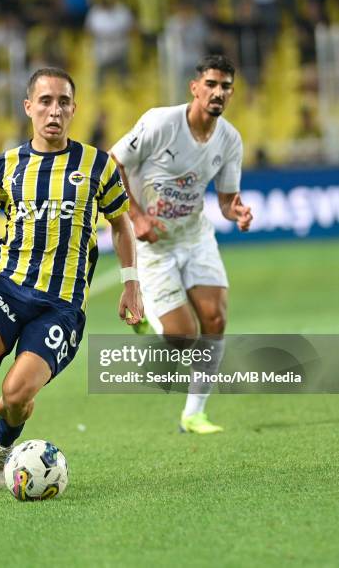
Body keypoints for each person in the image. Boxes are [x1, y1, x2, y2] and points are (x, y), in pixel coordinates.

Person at [0, 67, 144, 501]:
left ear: (74, 109)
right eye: (45, 101)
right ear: (28, 108)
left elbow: (121, 224)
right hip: (6, 286)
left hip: (60, 305)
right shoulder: (5, 166)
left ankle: (2, 450)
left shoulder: (97, 165)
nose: (54, 110)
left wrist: (131, 283)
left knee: (16, 396)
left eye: (63, 102)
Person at [110, 55, 253, 435]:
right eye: (211, 84)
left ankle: (193, 414)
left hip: (195, 236)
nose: (218, 92)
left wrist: (235, 212)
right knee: (183, 339)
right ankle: (143, 317)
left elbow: (226, 200)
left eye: (225, 87)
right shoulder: (160, 122)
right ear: (195, 88)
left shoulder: (230, 140)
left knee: (217, 319)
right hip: (154, 245)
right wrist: (137, 216)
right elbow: (114, 163)